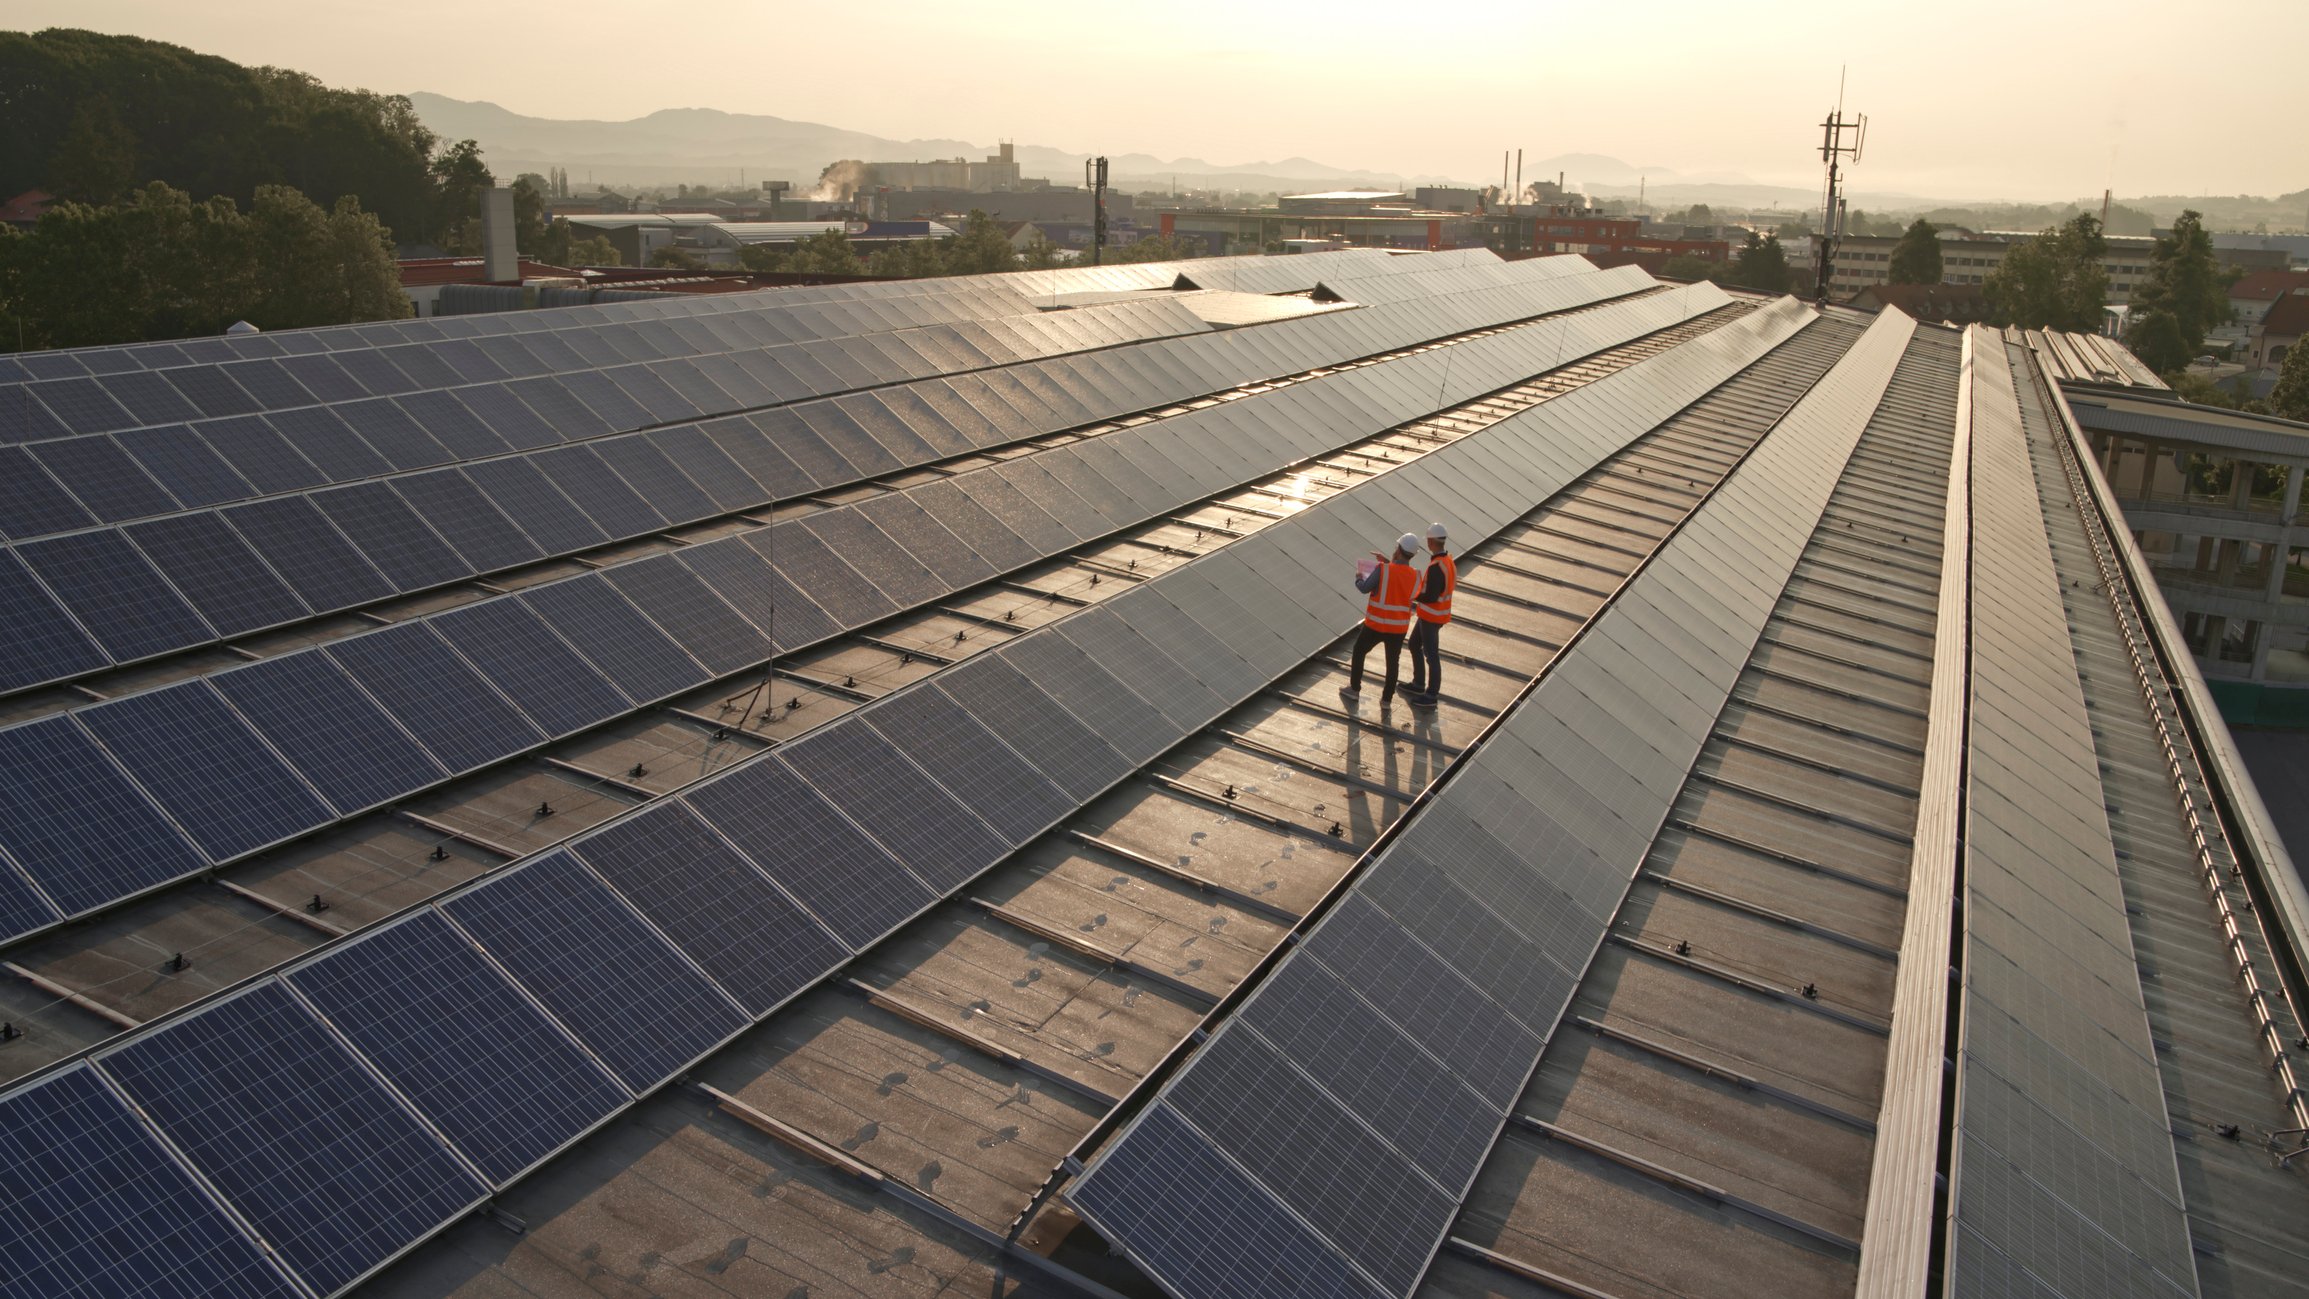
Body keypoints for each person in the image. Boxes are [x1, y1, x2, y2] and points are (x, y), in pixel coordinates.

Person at [1342, 533, 1421, 710]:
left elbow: (1364, 588)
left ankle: (1354, 690)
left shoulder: (1383, 570)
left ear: (1399, 550)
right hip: (1398, 628)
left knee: (1359, 651)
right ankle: (1386, 701)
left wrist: (1358, 576)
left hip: (1376, 624)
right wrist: (1387, 562)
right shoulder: (1416, 575)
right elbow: (1406, 587)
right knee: (1393, 663)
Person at [1406, 522, 1455, 710]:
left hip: (1431, 617)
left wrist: (1414, 595)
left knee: (1431, 655)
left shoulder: (1436, 566)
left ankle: (1431, 694)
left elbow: (1431, 596)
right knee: (1413, 644)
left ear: (1432, 542)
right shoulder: (1447, 561)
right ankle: (1418, 684)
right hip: (1435, 615)